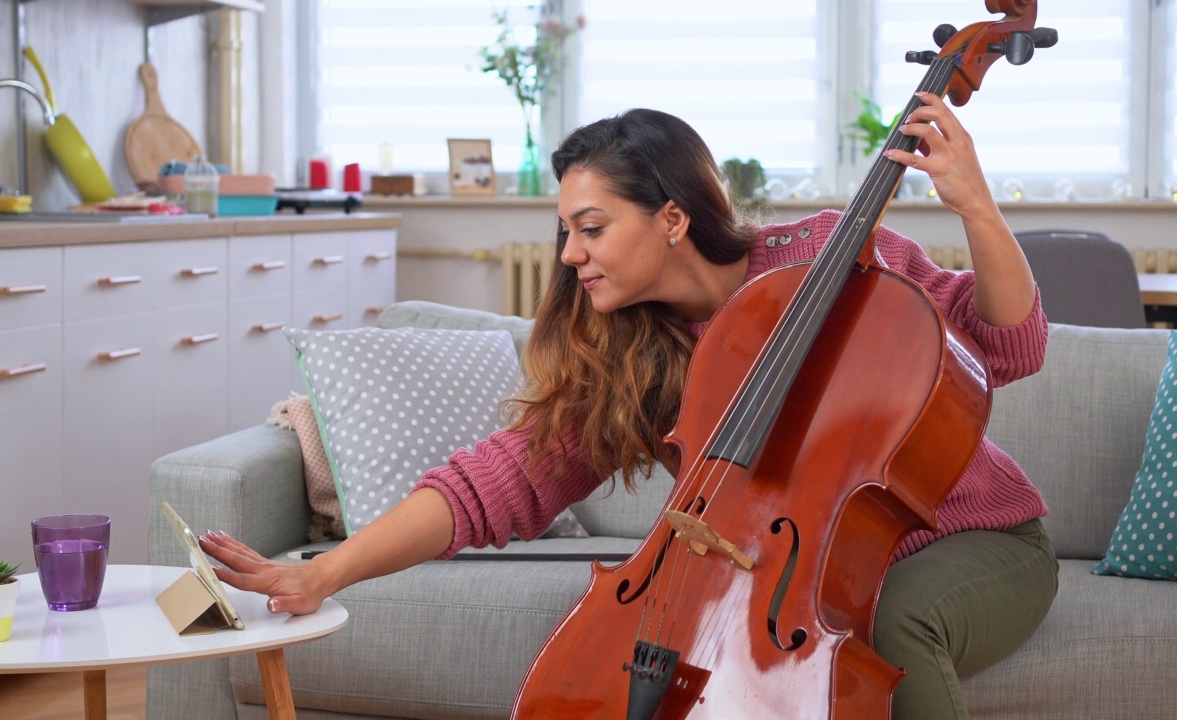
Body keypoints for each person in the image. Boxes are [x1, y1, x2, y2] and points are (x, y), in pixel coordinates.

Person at [200, 96, 1058, 720]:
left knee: (895, 622)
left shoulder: (833, 262)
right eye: (564, 233)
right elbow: (492, 483)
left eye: (592, 228)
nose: (570, 255)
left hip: (967, 538)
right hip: (790, 575)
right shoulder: (631, 352)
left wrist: (975, 206)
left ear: (674, 218)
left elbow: (1009, 349)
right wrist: (325, 569)